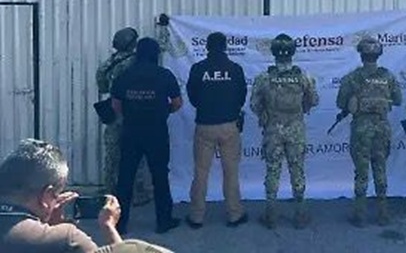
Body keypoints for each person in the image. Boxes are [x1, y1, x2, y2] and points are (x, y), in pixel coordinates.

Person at [111, 38, 183, 234]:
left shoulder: (125, 75)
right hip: (156, 132)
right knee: (160, 176)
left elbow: (116, 105)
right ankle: (163, 221)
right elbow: (177, 103)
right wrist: (164, 111)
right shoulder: (164, 75)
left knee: (125, 178)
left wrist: (132, 114)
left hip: (131, 132)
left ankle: (120, 223)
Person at [250, 33, 319, 229]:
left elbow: (254, 105)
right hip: (296, 129)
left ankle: (271, 216)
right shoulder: (303, 77)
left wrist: (266, 113)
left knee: (273, 171)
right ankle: (300, 215)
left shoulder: (264, 78)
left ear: (274, 53)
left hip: (273, 130)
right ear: (292, 53)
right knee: (297, 171)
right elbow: (313, 101)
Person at [335, 36, 403, 227]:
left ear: (361, 55)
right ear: (378, 54)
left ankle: (360, 215)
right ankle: (383, 214)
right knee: (380, 168)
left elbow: (340, 103)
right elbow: (398, 100)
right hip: (382, 127)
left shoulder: (352, 78)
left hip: (361, 128)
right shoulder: (388, 76)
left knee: (361, 172)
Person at [185, 32, 248, 229]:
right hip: (229, 125)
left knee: (201, 172)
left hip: (205, 125)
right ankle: (234, 214)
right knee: (231, 171)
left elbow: (192, 96)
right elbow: (242, 95)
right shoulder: (235, 69)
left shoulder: (198, 68)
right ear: (225, 47)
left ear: (207, 47)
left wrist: (206, 107)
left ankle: (196, 216)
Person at [96, 27, 152, 207]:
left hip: (113, 113)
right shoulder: (135, 62)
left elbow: (102, 86)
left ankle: (110, 192)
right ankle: (136, 194)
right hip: (132, 112)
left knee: (112, 155)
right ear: (132, 44)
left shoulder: (108, 63)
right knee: (135, 154)